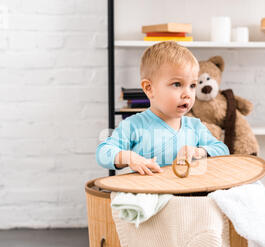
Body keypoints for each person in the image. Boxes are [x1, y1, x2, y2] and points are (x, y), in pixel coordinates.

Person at [96, 41, 229, 175]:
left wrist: (199, 151)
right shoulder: (134, 125)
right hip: (151, 193)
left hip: (187, 194)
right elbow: (103, 152)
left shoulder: (195, 126)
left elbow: (222, 150)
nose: (187, 94)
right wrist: (130, 158)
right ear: (149, 89)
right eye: (177, 84)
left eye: (192, 85)